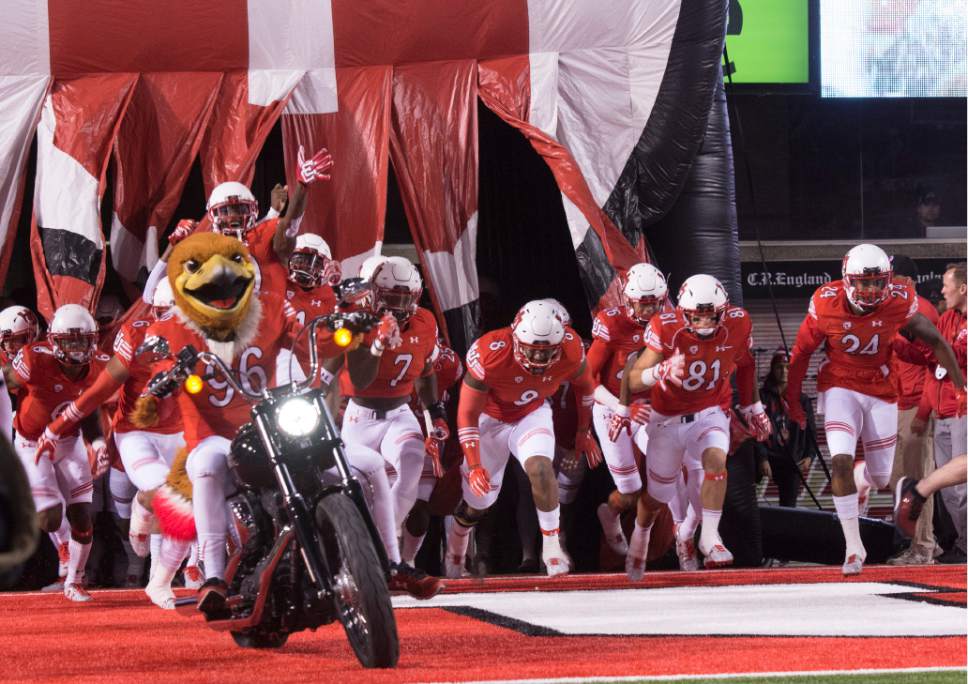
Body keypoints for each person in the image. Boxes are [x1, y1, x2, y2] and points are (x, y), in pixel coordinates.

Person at [784, 244, 965, 575]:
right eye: (864, 283)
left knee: (881, 475)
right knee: (840, 459)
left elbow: (936, 342)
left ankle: (863, 478)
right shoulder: (826, 302)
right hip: (839, 385)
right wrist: (793, 401)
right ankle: (854, 547)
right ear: (847, 278)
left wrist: (958, 386)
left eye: (878, 283)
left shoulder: (899, 301)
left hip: (881, 389)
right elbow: (800, 355)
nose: (871, 290)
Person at [35, 281, 193, 608]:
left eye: (175, 315)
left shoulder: (203, 335)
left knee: (188, 511)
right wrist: (56, 428)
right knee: (168, 495)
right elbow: (96, 392)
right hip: (137, 432)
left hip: (181, 433)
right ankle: (141, 508)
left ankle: (161, 581)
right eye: (163, 314)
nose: (169, 323)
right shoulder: (136, 336)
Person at [621, 274, 771, 580]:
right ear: (682, 313)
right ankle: (642, 533)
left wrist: (753, 406)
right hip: (667, 420)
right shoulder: (666, 327)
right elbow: (632, 378)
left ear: (723, 310)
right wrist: (659, 370)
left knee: (716, 465)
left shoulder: (739, 323)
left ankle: (709, 538)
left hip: (710, 411)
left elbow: (745, 365)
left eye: (710, 316)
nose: (704, 323)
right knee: (658, 496)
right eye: (696, 316)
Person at [447, 300, 597, 578]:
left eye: (547, 352)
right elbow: (467, 413)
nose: (540, 361)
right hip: (490, 420)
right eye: (533, 351)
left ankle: (552, 549)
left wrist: (582, 431)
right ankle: (457, 542)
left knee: (541, 469)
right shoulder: (490, 353)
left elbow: (586, 388)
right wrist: (475, 462)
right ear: (516, 340)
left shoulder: (571, 348)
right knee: (479, 503)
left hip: (532, 412)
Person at [338, 255, 444, 598]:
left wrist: (435, 411)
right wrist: (379, 344)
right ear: (373, 295)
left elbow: (427, 372)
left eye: (406, 300)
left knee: (412, 462)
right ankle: (357, 558)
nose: (400, 308)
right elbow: (359, 377)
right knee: (356, 490)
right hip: (360, 415)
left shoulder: (426, 321)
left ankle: (384, 556)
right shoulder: (356, 321)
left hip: (400, 412)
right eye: (392, 299)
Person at [5, 304, 112, 601]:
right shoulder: (33, 360)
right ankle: (63, 544)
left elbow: (89, 409)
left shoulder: (101, 366)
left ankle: (75, 581)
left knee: (82, 515)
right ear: (54, 342)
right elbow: (6, 385)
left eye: (83, 340)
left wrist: (98, 443)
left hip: (70, 441)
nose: (77, 348)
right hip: (32, 445)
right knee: (49, 519)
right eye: (69, 340)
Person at [587, 263, 666, 557]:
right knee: (630, 490)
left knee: (667, 470)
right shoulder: (612, 324)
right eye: (643, 303)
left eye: (655, 302)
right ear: (628, 298)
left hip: (648, 409)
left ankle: (683, 542)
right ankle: (609, 514)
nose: (649, 310)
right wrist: (620, 408)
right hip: (612, 410)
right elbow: (587, 379)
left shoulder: (670, 322)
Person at [886, 254, 940, 565]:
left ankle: (923, 548)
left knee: (919, 481)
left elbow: (938, 368)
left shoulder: (921, 311)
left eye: (893, 278)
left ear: (908, 281)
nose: (887, 283)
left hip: (917, 404)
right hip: (898, 403)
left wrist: (922, 411)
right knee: (899, 481)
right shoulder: (899, 311)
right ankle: (920, 543)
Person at [914, 262, 968, 563]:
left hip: (963, 409)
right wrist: (902, 340)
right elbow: (931, 357)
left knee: (962, 487)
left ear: (963, 288)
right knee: (949, 491)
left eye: (947, 284)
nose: (942, 290)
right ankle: (963, 545)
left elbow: (954, 353)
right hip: (943, 412)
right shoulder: (947, 318)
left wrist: (930, 342)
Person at [757, 349, 818, 508]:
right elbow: (755, 430)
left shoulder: (802, 399)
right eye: (779, 367)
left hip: (792, 460)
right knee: (746, 498)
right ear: (772, 369)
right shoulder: (762, 396)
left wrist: (809, 457)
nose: (784, 371)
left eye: (788, 367)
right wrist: (762, 458)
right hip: (767, 457)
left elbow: (811, 432)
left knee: (789, 506)